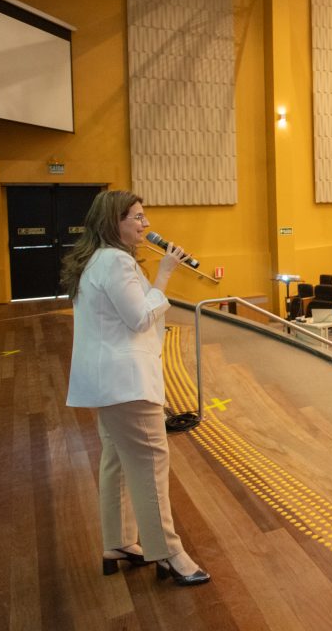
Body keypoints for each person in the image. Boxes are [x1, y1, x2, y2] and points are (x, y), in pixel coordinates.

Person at [61, 190, 210, 586]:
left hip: (108, 383)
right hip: (127, 383)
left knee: (116, 460)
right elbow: (140, 319)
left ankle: (120, 542)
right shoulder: (117, 263)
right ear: (115, 222)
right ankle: (170, 554)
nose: (146, 225)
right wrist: (164, 273)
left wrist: (156, 276)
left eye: (145, 217)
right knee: (149, 466)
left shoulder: (99, 260)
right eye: (138, 217)